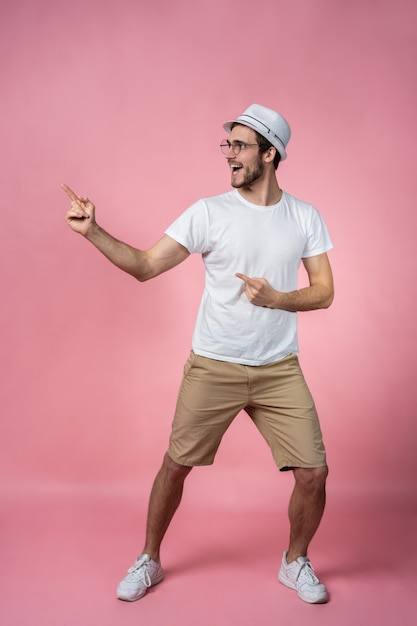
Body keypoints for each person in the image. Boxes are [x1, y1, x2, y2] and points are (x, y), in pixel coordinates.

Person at [62, 103, 334, 605]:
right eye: (226, 144)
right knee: (176, 465)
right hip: (214, 364)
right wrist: (93, 231)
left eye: (240, 145)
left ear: (269, 154)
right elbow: (145, 265)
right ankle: (149, 558)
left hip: (279, 370)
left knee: (313, 473)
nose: (228, 154)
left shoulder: (304, 217)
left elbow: (324, 291)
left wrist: (277, 298)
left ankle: (295, 562)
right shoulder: (209, 212)